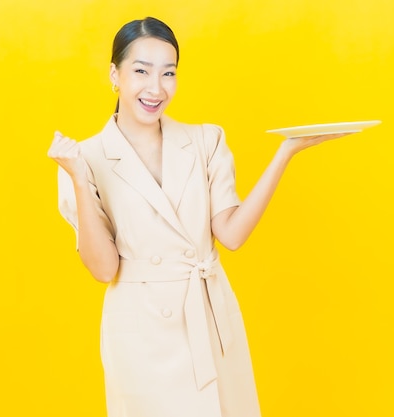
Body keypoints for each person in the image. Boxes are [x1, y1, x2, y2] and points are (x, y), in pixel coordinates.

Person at [47, 16, 350, 417]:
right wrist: (79, 180)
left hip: (208, 318)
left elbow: (232, 235)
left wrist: (286, 153)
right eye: (141, 71)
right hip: (139, 333)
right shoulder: (82, 158)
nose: (156, 88)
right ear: (114, 75)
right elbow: (103, 269)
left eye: (168, 73)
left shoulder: (206, 140)